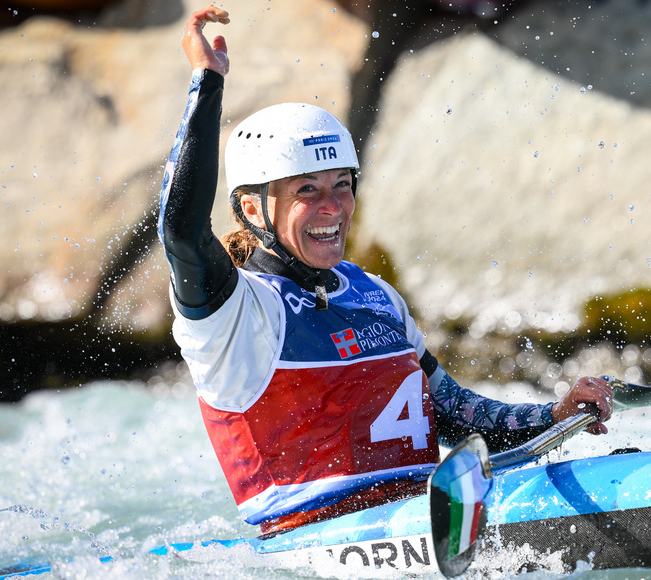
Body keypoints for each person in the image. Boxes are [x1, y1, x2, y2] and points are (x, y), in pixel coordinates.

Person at [159, 4, 613, 536]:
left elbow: (453, 412)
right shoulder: (233, 314)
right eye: (307, 190)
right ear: (254, 208)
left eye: (342, 185)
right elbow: (181, 233)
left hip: (431, 520)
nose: (333, 208)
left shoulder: (372, 293)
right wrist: (207, 82)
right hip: (316, 544)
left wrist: (554, 417)